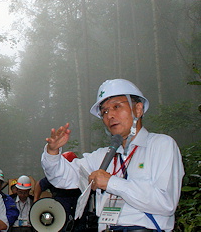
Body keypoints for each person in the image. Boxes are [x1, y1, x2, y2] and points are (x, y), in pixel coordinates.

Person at [42, 78, 185, 232]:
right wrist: (52, 152)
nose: (109, 115)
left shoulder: (161, 145)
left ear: (138, 109)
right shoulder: (102, 156)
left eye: (116, 106)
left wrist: (111, 183)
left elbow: (166, 203)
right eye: (104, 111)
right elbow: (62, 178)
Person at [34, 151, 82, 229]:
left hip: (79, 214)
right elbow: (39, 185)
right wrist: (36, 201)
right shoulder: (56, 177)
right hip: (58, 215)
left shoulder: (82, 177)